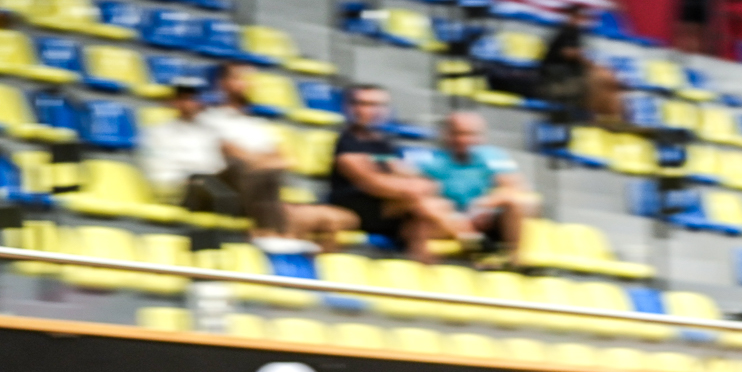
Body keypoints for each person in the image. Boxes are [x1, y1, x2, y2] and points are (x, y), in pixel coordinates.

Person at [202, 62, 356, 251]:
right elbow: (237, 157)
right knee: (246, 168)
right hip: (218, 191)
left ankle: (278, 235)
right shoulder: (210, 118)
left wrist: (261, 160)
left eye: (250, 79)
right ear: (223, 83)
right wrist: (263, 160)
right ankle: (271, 231)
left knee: (340, 219)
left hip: (256, 194)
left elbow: (286, 160)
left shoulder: (257, 125)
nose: (247, 83)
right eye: (239, 77)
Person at [328, 85, 478, 265]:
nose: (372, 111)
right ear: (350, 108)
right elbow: (371, 183)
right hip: (357, 207)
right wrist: (411, 188)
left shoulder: (383, 144)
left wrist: (414, 186)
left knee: (423, 219)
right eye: (364, 104)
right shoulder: (348, 143)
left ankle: (425, 271)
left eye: (378, 105)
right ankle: (472, 243)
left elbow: (409, 175)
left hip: (388, 208)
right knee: (421, 203)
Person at [413, 111, 536, 261]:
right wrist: (452, 217)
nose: (465, 140)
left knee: (518, 203)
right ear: (447, 134)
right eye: (459, 134)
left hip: (486, 219)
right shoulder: (431, 162)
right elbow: (420, 195)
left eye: (471, 134)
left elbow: (516, 186)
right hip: (450, 220)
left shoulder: (494, 157)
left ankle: (513, 261)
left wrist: (487, 203)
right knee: (421, 217)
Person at [138, 80, 225, 209]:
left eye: (193, 99)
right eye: (183, 99)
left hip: (209, 185)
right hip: (181, 189)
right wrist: (183, 181)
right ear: (173, 102)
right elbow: (157, 172)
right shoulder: (156, 133)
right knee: (221, 194)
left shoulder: (209, 133)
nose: (188, 104)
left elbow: (217, 167)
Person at [533, 10, 624, 126]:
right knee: (593, 85)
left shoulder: (576, 34)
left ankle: (608, 120)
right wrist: (588, 63)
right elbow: (568, 53)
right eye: (579, 18)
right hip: (555, 78)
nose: (581, 21)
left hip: (570, 76)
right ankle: (595, 120)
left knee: (605, 83)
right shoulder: (564, 33)